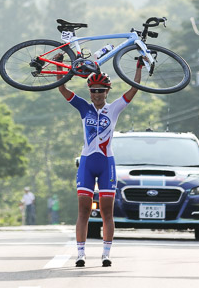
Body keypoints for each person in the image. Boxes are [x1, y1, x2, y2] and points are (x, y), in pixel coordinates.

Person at [56, 54, 143, 268]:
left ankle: (105, 254)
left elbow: (133, 89)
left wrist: (139, 66)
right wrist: (60, 65)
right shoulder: (83, 107)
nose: (96, 94)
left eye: (100, 91)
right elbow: (63, 89)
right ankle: (80, 254)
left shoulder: (114, 108)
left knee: (106, 212)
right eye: (93, 91)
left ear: (107, 92)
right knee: (84, 210)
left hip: (106, 163)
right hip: (87, 162)